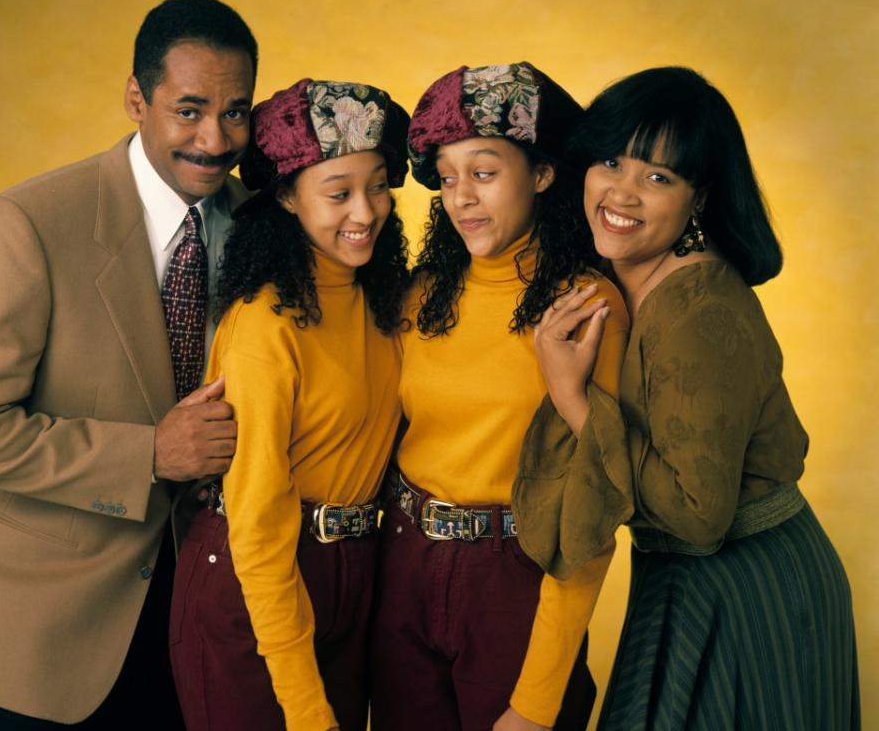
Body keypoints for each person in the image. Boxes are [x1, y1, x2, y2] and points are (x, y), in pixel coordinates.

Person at [0, 0, 257, 729]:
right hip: (54, 630)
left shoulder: (264, 224)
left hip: (208, 622)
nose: (215, 138)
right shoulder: (31, 223)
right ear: (136, 98)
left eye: (237, 112)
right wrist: (148, 454)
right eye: (190, 109)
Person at [515, 66, 860, 729]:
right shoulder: (618, 279)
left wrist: (572, 395)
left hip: (747, 587)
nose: (622, 192)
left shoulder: (696, 310)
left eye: (659, 177)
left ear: (698, 197)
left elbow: (700, 518)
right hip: (684, 581)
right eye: (612, 161)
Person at [369, 62, 630, 731]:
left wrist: (538, 700)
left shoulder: (587, 307)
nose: (461, 199)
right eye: (448, 179)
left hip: (518, 578)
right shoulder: (419, 295)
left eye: (483, 173)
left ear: (542, 173)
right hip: (402, 566)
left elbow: (592, 508)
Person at [169, 79, 411, 731]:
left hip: (352, 574)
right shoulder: (265, 324)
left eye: (379, 185)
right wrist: (306, 709)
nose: (365, 211)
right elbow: (258, 525)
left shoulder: (383, 302)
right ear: (284, 197)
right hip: (254, 583)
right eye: (338, 194)